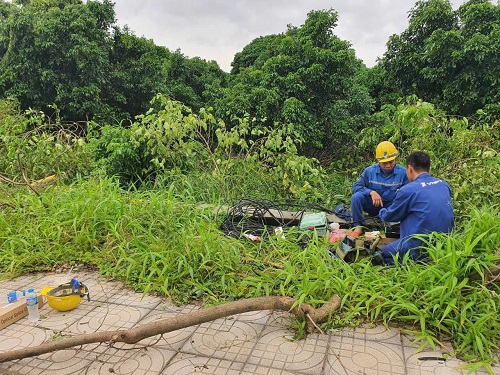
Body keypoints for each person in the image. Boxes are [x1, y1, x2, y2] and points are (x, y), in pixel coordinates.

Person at [378, 151, 454, 265]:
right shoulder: (444, 185)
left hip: (417, 247)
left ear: (409, 169)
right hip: (445, 244)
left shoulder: (408, 189)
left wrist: (382, 211)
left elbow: (390, 216)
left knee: (380, 253)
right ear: (429, 168)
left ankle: (412, 261)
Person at [350, 141, 409, 235]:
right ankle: (358, 226)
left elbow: (408, 193)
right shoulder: (369, 171)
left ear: (395, 159)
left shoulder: (403, 173)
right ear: (378, 161)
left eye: (391, 162)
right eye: (384, 163)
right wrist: (371, 192)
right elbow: (356, 186)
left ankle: (392, 224)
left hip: (391, 207)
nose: (388, 165)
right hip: (372, 205)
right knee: (356, 197)